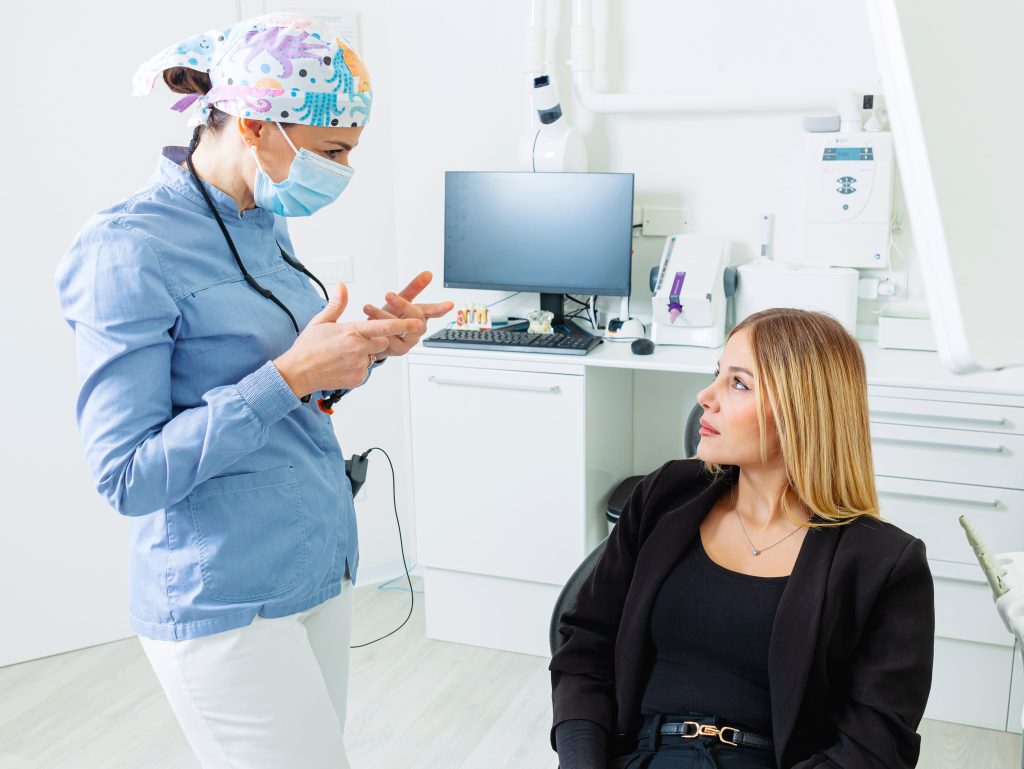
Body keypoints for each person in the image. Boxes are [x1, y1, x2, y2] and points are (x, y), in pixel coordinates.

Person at [54, 13, 452, 769]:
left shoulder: (263, 221)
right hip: (222, 599)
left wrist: (366, 352)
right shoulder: (126, 248)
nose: (342, 170)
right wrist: (291, 374)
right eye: (333, 151)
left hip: (313, 563)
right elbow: (127, 476)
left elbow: (293, 395)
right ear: (255, 123)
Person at [550, 308, 935, 769]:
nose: (705, 397)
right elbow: (586, 646)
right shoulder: (664, 495)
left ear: (801, 411)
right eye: (718, 374)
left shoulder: (884, 563)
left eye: (738, 383)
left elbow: (875, 743)